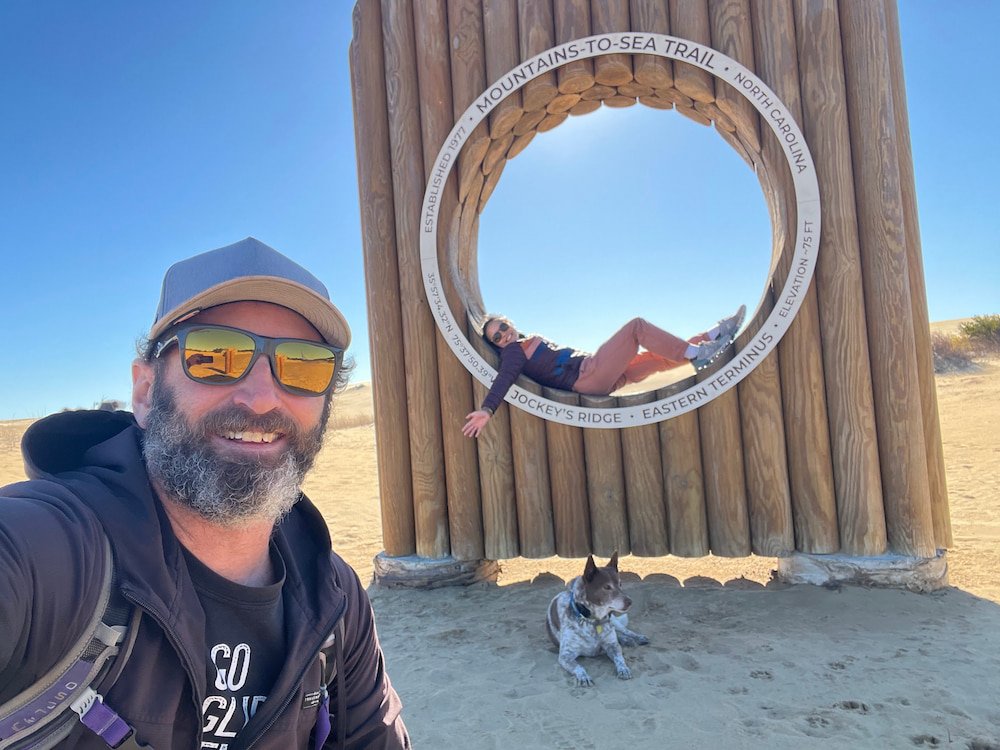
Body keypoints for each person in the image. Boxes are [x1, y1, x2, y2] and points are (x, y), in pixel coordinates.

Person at [0, 238, 409, 749]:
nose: (262, 398)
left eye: (304, 366)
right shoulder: (48, 556)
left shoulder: (336, 599)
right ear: (146, 391)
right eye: (216, 355)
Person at [462, 307, 746, 438]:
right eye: (496, 338)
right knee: (637, 327)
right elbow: (505, 378)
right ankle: (698, 353)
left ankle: (712, 335)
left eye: (502, 328)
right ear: (496, 346)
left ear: (509, 323)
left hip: (600, 377)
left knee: (656, 358)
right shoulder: (513, 354)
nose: (503, 335)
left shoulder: (525, 341)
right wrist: (487, 409)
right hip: (587, 377)